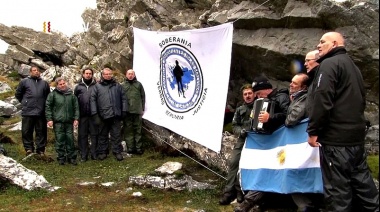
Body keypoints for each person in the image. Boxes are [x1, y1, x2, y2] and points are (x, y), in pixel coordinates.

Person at [307, 32, 379, 211]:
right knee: (365, 190)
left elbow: (322, 99)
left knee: (338, 195)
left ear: (335, 43)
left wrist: (313, 130)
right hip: (355, 140)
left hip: (336, 142)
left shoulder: (329, 64)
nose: (318, 45)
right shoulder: (354, 67)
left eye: (322, 42)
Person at [234, 75, 290, 212]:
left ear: (265, 89)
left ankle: (249, 204)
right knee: (263, 171)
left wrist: (269, 118)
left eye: (258, 93)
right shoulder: (264, 100)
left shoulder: (282, 97)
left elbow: (287, 115)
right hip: (269, 141)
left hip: (279, 141)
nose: (256, 96)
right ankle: (256, 202)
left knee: (267, 172)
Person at [219, 84, 255, 205]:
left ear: (254, 94)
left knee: (249, 164)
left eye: (250, 93)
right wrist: (241, 131)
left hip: (257, 140)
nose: (248, 96)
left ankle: (242, 192)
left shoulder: (260, 106)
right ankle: (228, 192)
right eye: (245, 94)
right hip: (243, 139)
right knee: (234, 162)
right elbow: (235, 126)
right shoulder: (240, 109)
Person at [90, 67, 127, 161]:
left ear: (112, 75)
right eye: (106, 74)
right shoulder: (97, 87)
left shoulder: (117, 85)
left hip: (115, 115)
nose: (108, 75)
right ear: (102, 75)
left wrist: (124, 110)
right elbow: (92, 100)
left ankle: (117, 151)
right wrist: (95, 114)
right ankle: (102, 152)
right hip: (103, 116)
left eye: (109, 74)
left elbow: (123, 98)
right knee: (102, 135)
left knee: (116, 134)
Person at [15, 65, 50, 156]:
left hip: (41, 111)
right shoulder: (24, 82)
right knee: (26, 131)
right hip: (28, 111)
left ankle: (40, 150)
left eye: (38, 70)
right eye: (34, 70)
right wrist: (24, 102)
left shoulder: (44, 83)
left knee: (41, 131)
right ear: (30, 72)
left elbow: (47, 96)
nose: (36, 72)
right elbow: (18, 94)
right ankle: (28, 149)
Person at [45, 77, 79, 165]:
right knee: (60, 140)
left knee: (70, 140)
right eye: (60, 84)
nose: (62, 85)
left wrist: (76, 118)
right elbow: (48, 107)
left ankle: (72, 157)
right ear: (57, 85)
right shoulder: (53, 95)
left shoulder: (71, 95)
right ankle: (61, 157)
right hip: (58, 122)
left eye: (64, 83)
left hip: (69, 121)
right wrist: (49, 119)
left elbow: (76, 107)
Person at [74, 68, 98, 161]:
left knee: (94, 135)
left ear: (92, 75)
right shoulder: (78, 87)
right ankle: (83, 154)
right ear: (83, 74)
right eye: (86, 73)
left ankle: (94, 153)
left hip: (93, 115)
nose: (88, 75)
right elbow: (75, 102)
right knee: (82, 135)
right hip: (82, 115)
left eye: (90, 73)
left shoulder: (96, 86)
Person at [122, 69, 146, 155]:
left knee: (138, 130)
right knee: (128, 130)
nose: (130, 75)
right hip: (127, 112)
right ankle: (130, 148)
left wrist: (142, 108)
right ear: (126, 75)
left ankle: (139, 148)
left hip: (137, 111)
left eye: (132, 74)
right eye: (129, 74)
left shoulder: (139, 85)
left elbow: (143, 97)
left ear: (134, 75)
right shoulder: (122, 85)